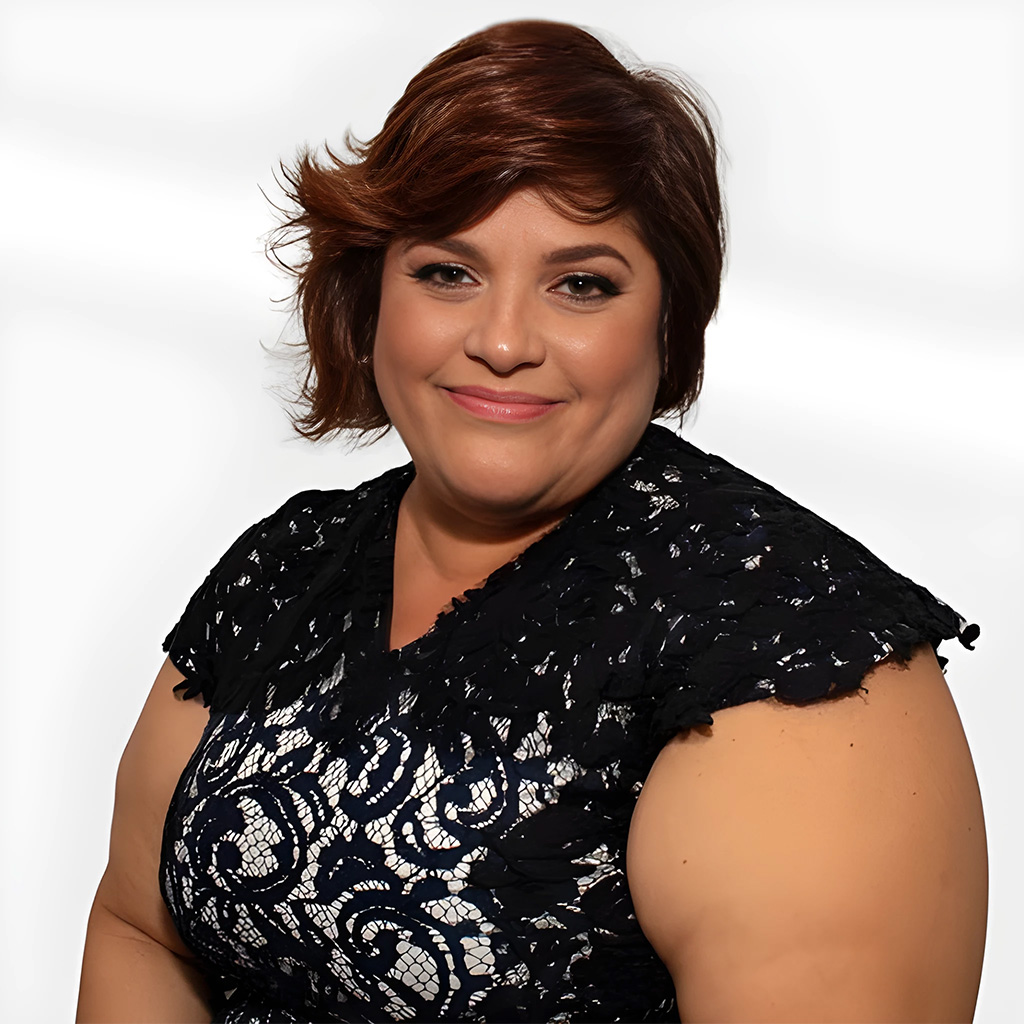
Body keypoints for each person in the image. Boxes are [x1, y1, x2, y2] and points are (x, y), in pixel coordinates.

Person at [76, 19, 987, 1024]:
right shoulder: (289, 564)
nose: (504, 341)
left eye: (580, 284)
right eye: (447, 272)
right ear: (369, 298)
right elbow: (139, 925)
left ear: (669, 321)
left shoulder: (795, 649)